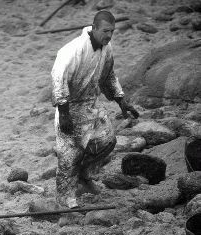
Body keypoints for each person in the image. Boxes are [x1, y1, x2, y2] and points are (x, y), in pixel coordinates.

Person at [51, 10, 139, 209]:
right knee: (69, 156)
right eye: (106, 31)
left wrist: (121, 100)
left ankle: (83, 175)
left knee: (107, 141)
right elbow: (58, 78)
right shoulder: (72, 50)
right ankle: (65, 201)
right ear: (95, 28)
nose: (109, 35)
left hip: (91, 105)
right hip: (69, 107)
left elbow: (109, 75)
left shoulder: (107, 48)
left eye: (112, 32)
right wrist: (63, 112)